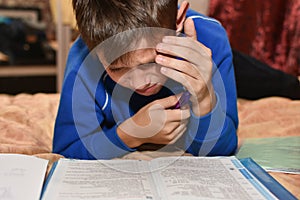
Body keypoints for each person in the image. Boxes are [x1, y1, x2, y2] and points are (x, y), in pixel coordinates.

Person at [53, 0, 238, 159]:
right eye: (117, 69)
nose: (141, 82)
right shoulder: (83, 57)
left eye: (151, 61)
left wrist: (204, 97)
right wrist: (129, 135)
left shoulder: (211, 38)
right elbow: (66, 150)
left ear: (178, 21)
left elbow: (223, 150)